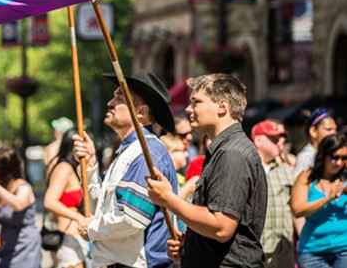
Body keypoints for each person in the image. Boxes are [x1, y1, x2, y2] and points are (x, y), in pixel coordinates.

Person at [146, 73, 268, 268]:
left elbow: (221, 228)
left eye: (196, 102)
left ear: (222, 107)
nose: (188, 109)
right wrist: (191, 243)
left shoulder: (232, 153)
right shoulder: (224, 150)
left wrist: (168, 199)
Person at [73, 71, 178, 268]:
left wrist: (92, 228)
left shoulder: (147, 153)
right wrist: (90, 164)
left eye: (119, 97)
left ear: (141, 112)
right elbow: (103, 205)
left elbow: (132, 218)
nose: (110, 103)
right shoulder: (129, 150)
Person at [290, 133, 347, 268]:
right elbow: (297, 210)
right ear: (323, 156)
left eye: (344, 158)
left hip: (344, 250)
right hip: (312, 252)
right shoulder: (307, 177)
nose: (339, 163)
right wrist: (327, 199)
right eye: (334, 157)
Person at [0, 146, 41, 268]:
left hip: (25, 247)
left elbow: (18, 204)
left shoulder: (23, 187)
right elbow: (1, 217)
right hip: (6, 246)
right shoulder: (2, 188)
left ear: (4, 170)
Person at [252, 120, 295, 268]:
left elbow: (295, 209)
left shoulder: (286, 170)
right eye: (273, 139)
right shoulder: (247, 168)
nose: (279, 142)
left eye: (280, 138)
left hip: (284, 249)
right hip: (256, 248)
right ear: (258, 140)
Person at [43, 128, 87, 268]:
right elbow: (49, 201)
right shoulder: (64, 168)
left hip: (75, 237)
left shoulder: (73, 167)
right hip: (66, 238)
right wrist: (78, 218)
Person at [295, 109, 338, 177]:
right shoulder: (306, 157)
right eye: (329, 129)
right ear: (313, 131)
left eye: (335, 130)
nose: (334, 133)